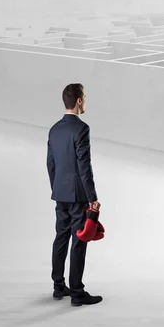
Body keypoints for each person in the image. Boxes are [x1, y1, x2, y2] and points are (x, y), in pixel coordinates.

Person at [47, 83, 103, 307]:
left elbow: (50, 163)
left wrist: (56, 188)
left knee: (61, 237)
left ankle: (59, 287)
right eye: (85, 97)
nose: (86, 100)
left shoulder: (54, 129)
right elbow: (84, 167)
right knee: (80, 239)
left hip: (60, 193)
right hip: (79, 195)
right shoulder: (81, 129)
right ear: (79, 101)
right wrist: (92, 197)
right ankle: (78, 293)